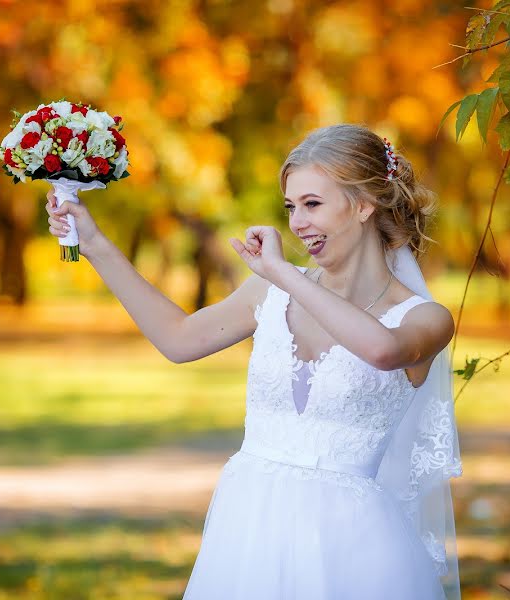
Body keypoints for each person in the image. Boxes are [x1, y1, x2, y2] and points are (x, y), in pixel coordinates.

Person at [46, 123, 463, 599]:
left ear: (365, 205)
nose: (298, 223)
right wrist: (96, 243)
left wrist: (285, 274)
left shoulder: (425, 317)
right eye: (291, 207)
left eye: (312, 204)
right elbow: (177, 340)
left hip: (352, 550)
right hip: (248, 532)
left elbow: (384, 350)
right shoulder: (270, 291)